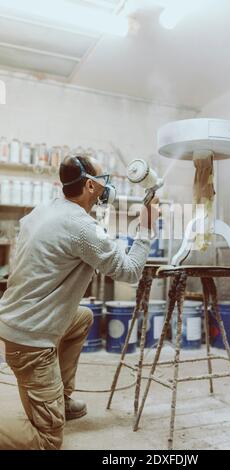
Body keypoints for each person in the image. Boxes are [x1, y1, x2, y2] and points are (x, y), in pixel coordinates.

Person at [0, 155, 159, 450]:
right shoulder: (83, 227)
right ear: (90, 185)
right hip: (31, 340)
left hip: (15, 320)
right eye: (104, 179)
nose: (107, 185)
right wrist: (147, 228)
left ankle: (59, 398)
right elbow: (130, 270)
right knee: (48, 441)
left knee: (83, 317)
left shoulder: (45, 209)